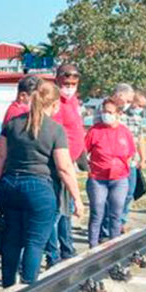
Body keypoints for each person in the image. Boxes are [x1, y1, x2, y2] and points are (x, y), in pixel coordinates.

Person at [0, 80, 83, 287]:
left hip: (10, 186)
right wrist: (77, 199)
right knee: (34, 243)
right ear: (54, 104)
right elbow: (64, 167)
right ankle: (27, 289)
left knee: (12, 241)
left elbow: (0, 158)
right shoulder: (55, 130)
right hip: (40, 189)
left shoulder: (12, 125)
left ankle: (7, 287)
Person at [45, 64, 85, 266]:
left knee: (65, 211)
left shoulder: (73, 100)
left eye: (73, 84)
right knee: (55, 212)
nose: (69, 87)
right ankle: (53, 255)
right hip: (58, 164)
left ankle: (67, 249)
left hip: (71, 162)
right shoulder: (54, 101)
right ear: (58, 80)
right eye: (66, 83)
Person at [86, 100, 136, 246]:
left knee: (116, 214)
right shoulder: (95, 131)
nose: (106, 115)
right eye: (104, 112)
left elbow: (130, 153)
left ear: (118, 114)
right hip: (98, 179)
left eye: (110, 112)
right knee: (97, 212)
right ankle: (93, 246)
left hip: (119, 179)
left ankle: (114, 246)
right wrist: (89, 168)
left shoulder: (124, 132)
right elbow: (83, 152)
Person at [121, 91, 146, 233]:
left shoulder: (138, 118)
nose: (141, 108)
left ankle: (122, 220)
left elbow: (140, 139)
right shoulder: (120, 117)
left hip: (132, 163)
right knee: (118, 193)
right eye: (139, 105)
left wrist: (143, 158)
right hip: (119, 162)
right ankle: (112, 222)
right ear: (132, 102)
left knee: (130, 193)